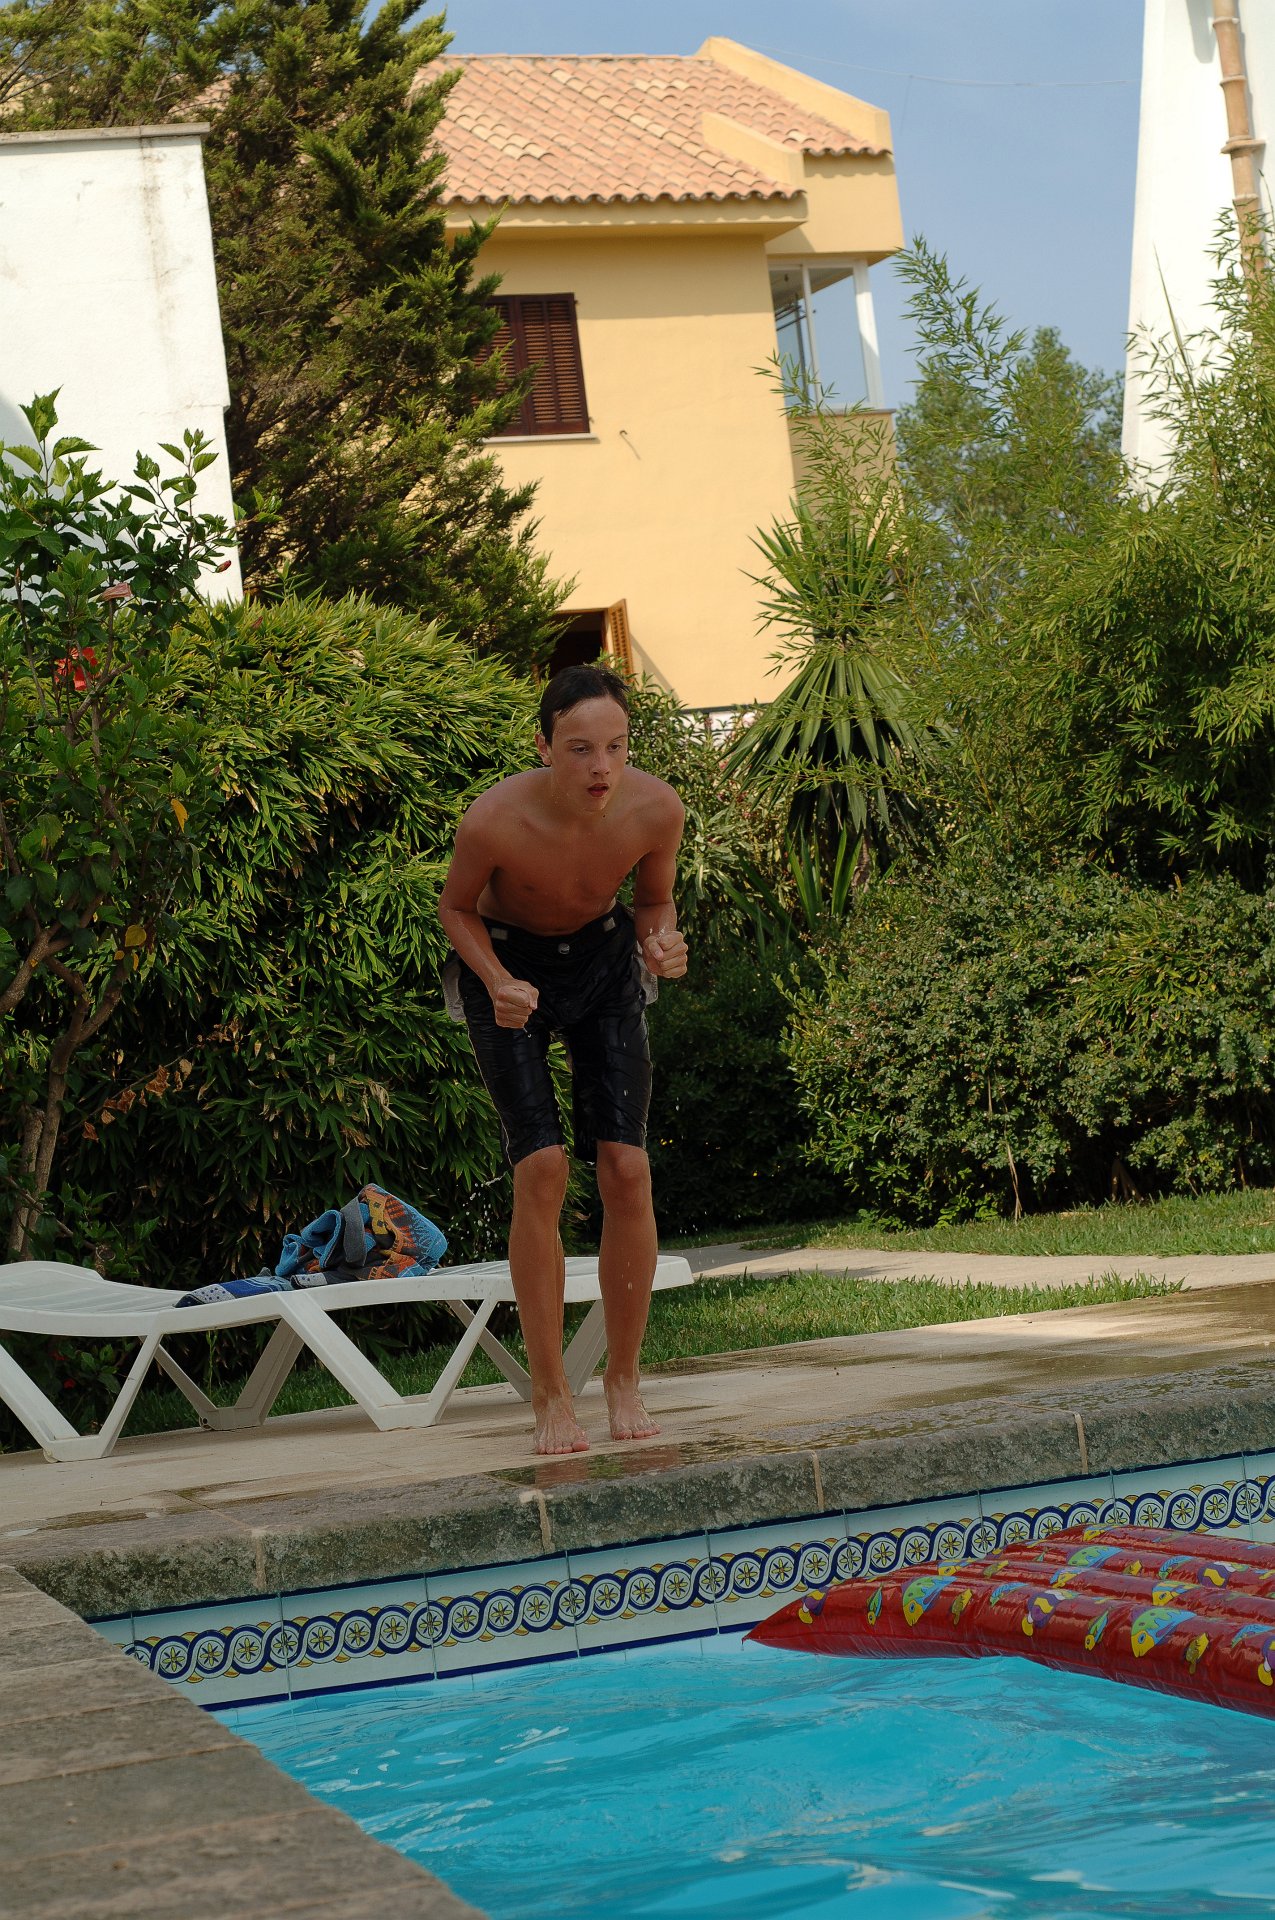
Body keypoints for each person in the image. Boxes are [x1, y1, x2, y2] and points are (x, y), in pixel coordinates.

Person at [438, 662, 687, 1455]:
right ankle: (549, 1395)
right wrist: (495, 980)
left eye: (615, 747)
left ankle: (623, 1379)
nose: (600, 767)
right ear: (544, 747)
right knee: (541, 1167)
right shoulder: (494, 820)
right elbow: (454, 908)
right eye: (580, 749)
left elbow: (653, 900)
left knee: (627, 1168)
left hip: (603, 961)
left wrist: (660, 941)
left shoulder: (656, 809)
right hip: (508, 962)